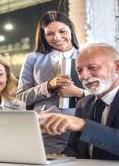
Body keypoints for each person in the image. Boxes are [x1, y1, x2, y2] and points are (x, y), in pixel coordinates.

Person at [39, 43, 119, 160]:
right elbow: (74, 149)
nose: (84, 76)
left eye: (92, 67)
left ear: (117, 67)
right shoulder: (84, 103)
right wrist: (61, 158)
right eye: (79, 71)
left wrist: (83, 125)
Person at [16, 11, 84, 154]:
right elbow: (20, 98)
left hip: (81, 124)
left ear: (71, 29)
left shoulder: (87, 55)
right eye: (50, 33)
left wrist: (80, 92)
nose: (57, 38)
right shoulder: (32, 58)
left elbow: (107, 94)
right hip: (46, 127)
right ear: (43, 35)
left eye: (62, 31)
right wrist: (47, 86)